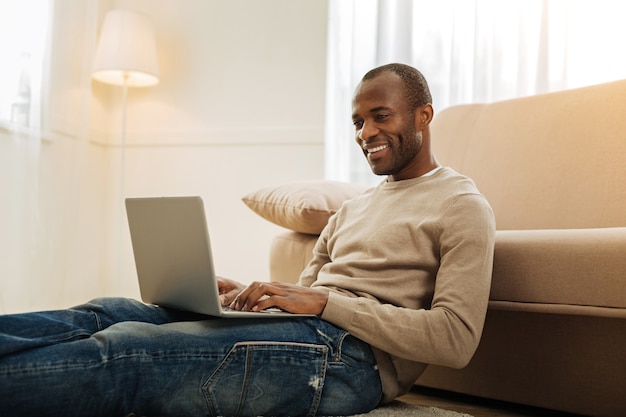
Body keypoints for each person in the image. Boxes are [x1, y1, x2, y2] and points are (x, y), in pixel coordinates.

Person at [0, 63, 495, 417]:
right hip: (311, 335)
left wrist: (322, 303)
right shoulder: (355, 207)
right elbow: (307, 301)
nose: (365, 132)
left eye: (380, 116)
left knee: (130, 348)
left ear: (424, 116)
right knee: (108, 312)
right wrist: (248, 298)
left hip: (352, 364)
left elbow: (455, 339)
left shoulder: (461, 205)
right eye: (358, 122)